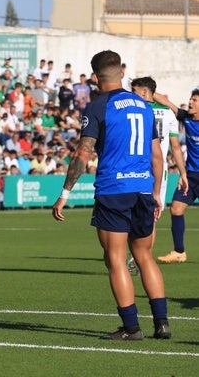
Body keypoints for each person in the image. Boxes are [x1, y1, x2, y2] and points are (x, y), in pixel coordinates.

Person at [51, 50, 170, 341]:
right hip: (143, 188)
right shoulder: (144, 106)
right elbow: (157, 155)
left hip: (114, 190)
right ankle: (162, 324)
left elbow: (83, 153)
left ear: (95, 78)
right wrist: (156, 193)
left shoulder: (98, 107)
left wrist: (64, 193)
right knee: (144, 255)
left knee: (115, 259)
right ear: (122, 72)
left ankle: (131, 328)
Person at [125, 78, 187, 272]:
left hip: (137, 166)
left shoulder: (135, 110)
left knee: (132, 210)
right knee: (152, 214)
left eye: (134, 90)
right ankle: (144, 257)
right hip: (160, 169)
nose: (132, 94)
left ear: (143, 93)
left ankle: (139, 257)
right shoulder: (169, 114)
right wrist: (182, 173)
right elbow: (175, 147)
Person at [151, 88, 199, 264]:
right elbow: (165, 102)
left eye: (194, 100)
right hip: (191, 176)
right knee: (176, 209)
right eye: (190, 99)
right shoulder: (186, 117)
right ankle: (179, 252)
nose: (190, 102)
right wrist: (144, 88)